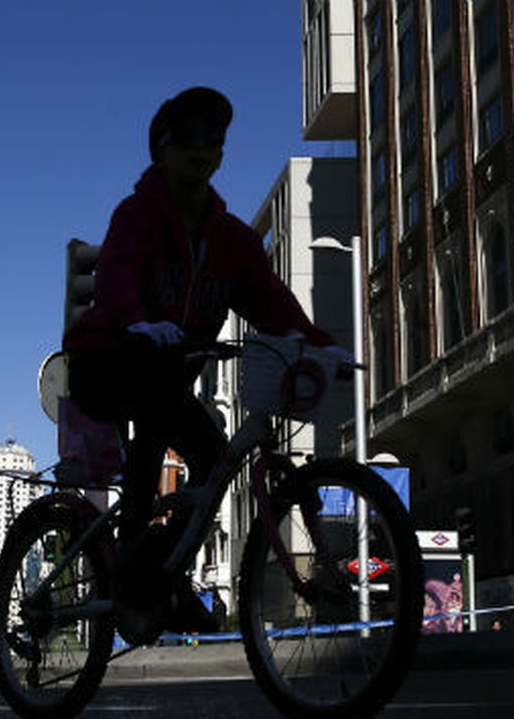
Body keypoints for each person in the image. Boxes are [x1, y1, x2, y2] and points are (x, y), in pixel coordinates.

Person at [63, 87, 342, 644]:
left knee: (212, 456)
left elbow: (270, 300)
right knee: (162, 419)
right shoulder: (137, 214)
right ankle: (135, 570)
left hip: (167, 377)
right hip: (107, 360)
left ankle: (162, 575)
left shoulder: (232, 240)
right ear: (161, 151)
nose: (202, 151)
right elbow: (116, 273)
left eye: (213, 141)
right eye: (186, 140)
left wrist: (318, 344)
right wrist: (135, 320)